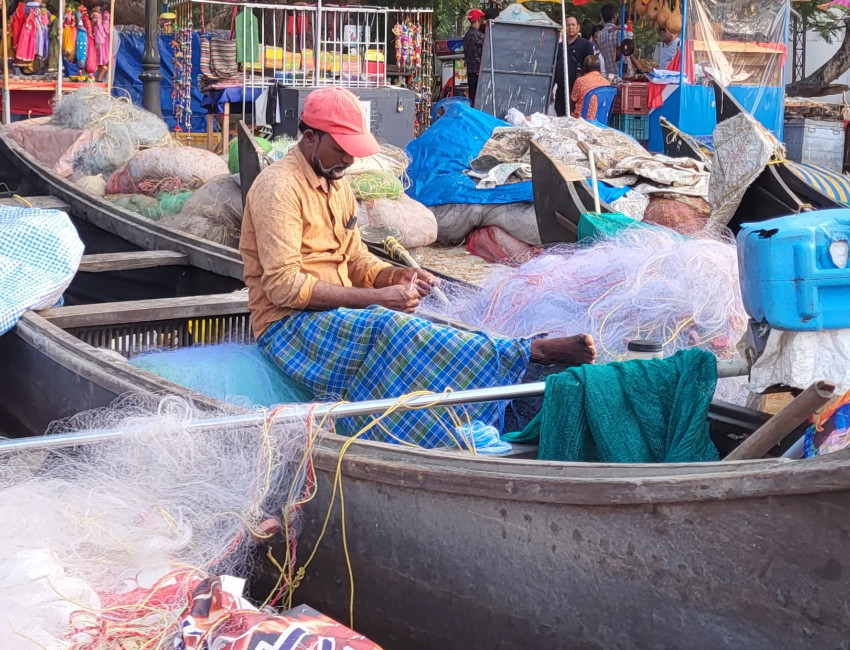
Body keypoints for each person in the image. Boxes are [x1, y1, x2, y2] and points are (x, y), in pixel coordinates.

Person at [240, 87, 597, 448]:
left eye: (352, 151)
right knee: (389, 324)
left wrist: (396, 275)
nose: (349, 159)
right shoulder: (279, 188)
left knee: (428, 325)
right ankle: (530, 352)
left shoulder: (338, 187)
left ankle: (510, 378)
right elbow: (283, 286)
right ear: (311, 137)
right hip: (287, 328)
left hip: (338, 315)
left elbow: (356, 258)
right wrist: (374, 298)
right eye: (341, 149)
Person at [552, 15, 594, 117]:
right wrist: (550, 91)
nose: (571, 27)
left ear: (578, 27)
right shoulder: (559, 47)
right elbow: (553, 68)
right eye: (568, 25)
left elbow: (591, 68)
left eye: (573, 25)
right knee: (561, 118)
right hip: (561, 91)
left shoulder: (586, 45)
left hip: (579, 90)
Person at [571, 55, 610, 120]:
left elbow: (573, 99)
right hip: (600, 120)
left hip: (582, 119)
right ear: (599, 68)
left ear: (584, 68)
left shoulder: (580, 81)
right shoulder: (607, 83)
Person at [463, 8, 485, 104]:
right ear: (478, 20)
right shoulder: (479, 36)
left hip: (470, 72)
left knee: (472, 97)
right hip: (479, 72)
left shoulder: (466, 36)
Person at [595, 3, 621, 77]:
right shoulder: (619, 32)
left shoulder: (600, 35)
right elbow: (626, 54)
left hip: (609, 75)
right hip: (622, 74)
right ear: (615, 16)